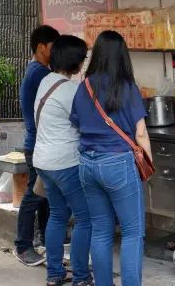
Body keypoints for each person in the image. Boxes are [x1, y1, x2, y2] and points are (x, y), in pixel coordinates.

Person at [71, 31, 152, 286]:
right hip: (118, 164)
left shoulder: (83, 86)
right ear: (122, 56)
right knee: (132, 233)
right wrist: (148, 163)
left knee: (101, 231)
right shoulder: (127, 88)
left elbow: (76, 123)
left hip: (87, 164)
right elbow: (140, 133)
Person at [33, 35, 93, 286]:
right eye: (83, 58)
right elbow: (88, 124)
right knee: (85, 218)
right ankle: (80, 276)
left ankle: (55, 273)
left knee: (58, 215)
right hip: (64, 163)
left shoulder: (46, 81)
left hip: (43, 161)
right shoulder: (71, 89)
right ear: (75, 61)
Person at [15, 25, 60, 266]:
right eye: (53, 48)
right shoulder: (39, 73)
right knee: (34, 195)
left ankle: (45, 241)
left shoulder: (40, 71)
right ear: (41, 47)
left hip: (41, 144)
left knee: (45, 195)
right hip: (38, 145)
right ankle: (22, 246)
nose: (56, 54)